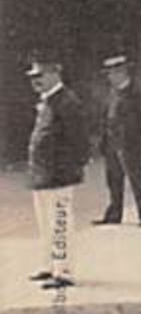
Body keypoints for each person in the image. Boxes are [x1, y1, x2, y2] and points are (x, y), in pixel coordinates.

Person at [25, 59, 91, 289]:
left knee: (60, 221)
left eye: (40, 75)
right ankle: (49, 264)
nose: (35, 81)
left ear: (55, 73)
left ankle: (64, 270)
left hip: (59, 173)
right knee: (45, 222)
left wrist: (74, 166)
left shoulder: (67, 102)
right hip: (43, 173)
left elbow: (80, 139)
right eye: (33, 77)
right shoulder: (48, 101)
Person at [95, 55, 141, 227]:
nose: (109, 77)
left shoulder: (137, 93)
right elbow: (106, 116)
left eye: (112, 73)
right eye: (109, 74)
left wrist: (138, 136)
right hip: (111, 142)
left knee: (135, 178)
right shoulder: (112, 92)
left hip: (130, 143)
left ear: (122, 73)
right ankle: (115, 214)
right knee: (113, 179)